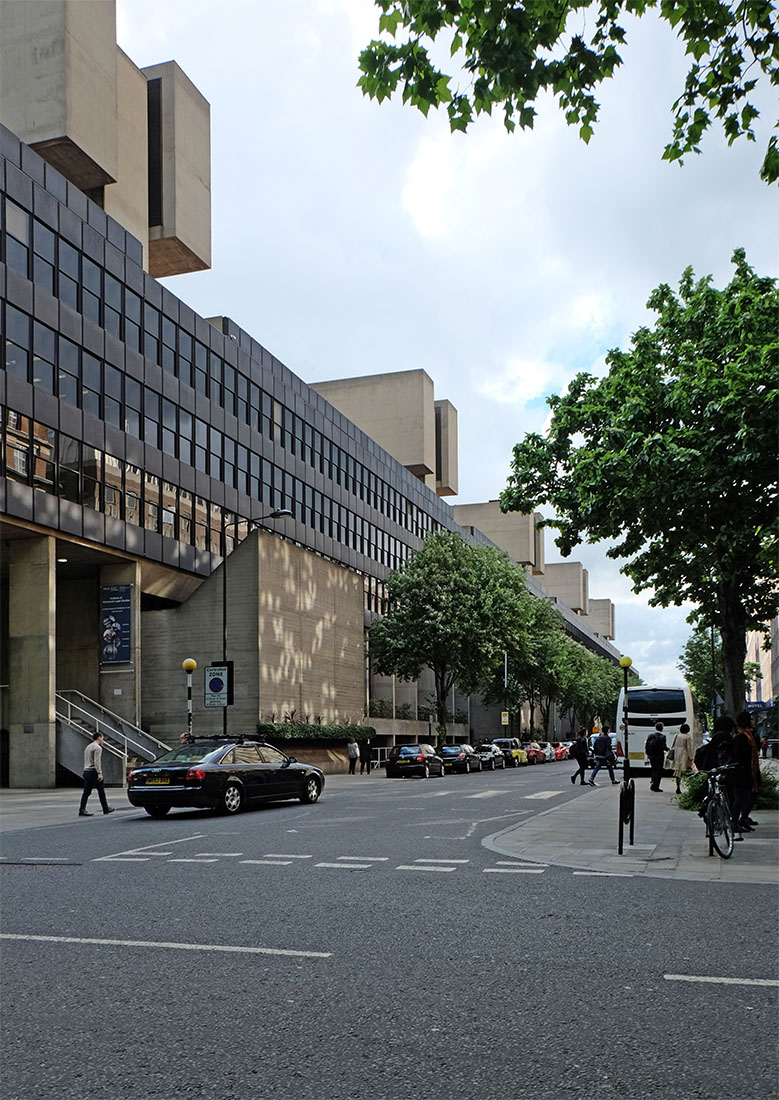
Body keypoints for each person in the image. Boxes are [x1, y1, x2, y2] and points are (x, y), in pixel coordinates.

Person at [732, 711, 761, 832]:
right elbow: (739, 754)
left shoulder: (749, 735)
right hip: (743, 771)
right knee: (740, 797)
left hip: (751, 770)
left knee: (752, 794)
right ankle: (735, 822)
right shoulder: (741, 736)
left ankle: (743, 818)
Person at [78, 732, 115, 816]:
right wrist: (99, 773)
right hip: (93, 771)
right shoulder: (97, 748)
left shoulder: (88, 747)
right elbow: (96, 761)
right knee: (101, 790)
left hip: (86, 771)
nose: (102, 740)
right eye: (102, 738)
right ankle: (105, 808)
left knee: (86, 792)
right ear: (99, 737)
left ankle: (82, 809)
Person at [669, 722, 696, 795]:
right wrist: (691, 757)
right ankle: (690, 787)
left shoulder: (677, 735)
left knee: (678, 772)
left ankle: (678, 787)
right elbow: (689, 748)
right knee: (688, 771)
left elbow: (674, 745)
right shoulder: (688, 737)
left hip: (677, 755)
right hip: (684, 756)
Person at [645, 721, 667, 792]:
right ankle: (656, 785)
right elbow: (663, 747)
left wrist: (648, 753)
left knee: (653, 769)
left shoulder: (650, 735)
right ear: (662, 728)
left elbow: (647, 745)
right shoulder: (662, 737)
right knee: (659, 771)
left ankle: (653, 781)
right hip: (659, 756)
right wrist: (669, 749)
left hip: (652, 756)